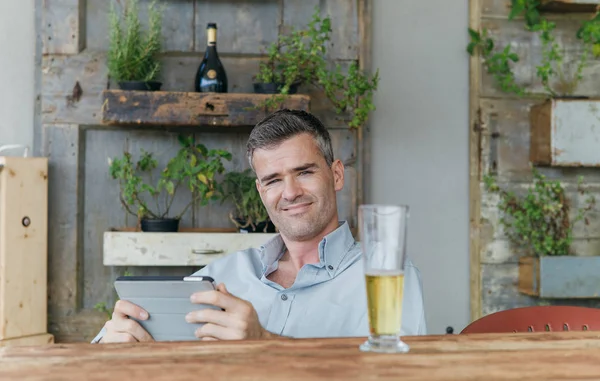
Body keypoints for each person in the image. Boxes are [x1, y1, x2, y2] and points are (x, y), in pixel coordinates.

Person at [92, 109, 426, 343]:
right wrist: (119, 346)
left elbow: (402, 372)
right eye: (273, 180)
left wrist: (265, 343)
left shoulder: (385, 274)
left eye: (305, 172)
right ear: (261, 191)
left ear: (336, 174)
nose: (291, 192)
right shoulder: (221, 276)